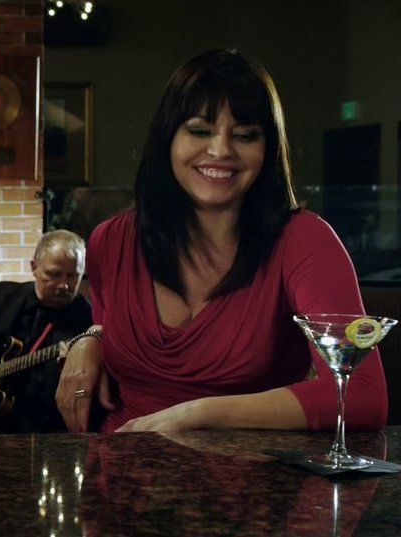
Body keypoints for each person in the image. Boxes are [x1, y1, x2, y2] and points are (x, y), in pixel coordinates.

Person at [56, 49, 388, 433]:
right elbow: (108, 328)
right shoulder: (110, 241)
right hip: (120, 460)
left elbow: (363, 395)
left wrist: (197, 415)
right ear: (167, 138)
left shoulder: (304, 240)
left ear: (267, 150)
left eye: (245, 136)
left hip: (249, 466)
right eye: (199, 130)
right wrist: (90, 339)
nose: (221, 151)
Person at [0, 230, 92, 433]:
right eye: (54, 274)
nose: (64, 285)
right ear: (34, 267)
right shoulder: (1, 296)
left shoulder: (90, 320)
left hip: (51, 426)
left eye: (73, 276)